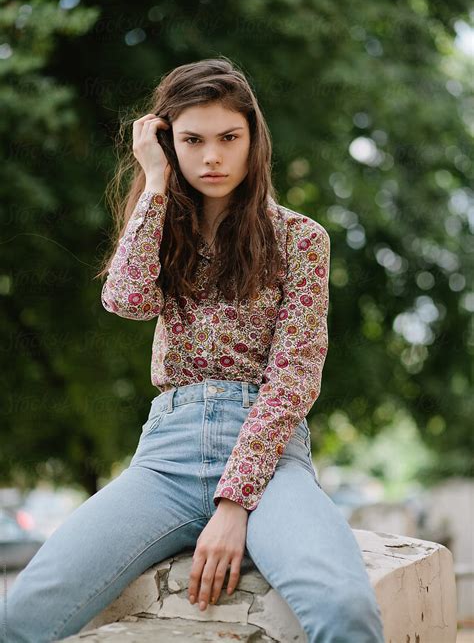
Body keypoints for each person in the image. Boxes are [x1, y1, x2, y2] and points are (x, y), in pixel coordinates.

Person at [1, 57, 385, 642]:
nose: (212, 156)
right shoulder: (162, 231)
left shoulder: (300, 239)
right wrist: (153, 182)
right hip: (166, 459)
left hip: (269, 458)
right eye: (192, 140)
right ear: (168, 142)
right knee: (24, 610)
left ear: (253, 140)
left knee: (345, 608)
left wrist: (234, 504)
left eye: (229, 138)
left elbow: (295, 375)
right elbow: (126, 300)